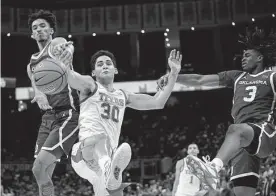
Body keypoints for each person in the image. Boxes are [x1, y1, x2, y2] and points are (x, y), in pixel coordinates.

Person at [157, 27, 276, 196]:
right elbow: (200, 80)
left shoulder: (271, 76)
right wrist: (172, 77)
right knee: (243, 193)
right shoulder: (237, 77)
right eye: (242, 55)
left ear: (260, 57)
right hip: (242, 140)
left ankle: (212, 168)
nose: (243, 58)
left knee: (235, 129)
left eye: (247, 55)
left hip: (264, 132)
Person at [66, 49, 182, 196]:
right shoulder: (90, 85)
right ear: (93, 72)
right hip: (83, 153)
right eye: (100, 64)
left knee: (115, 192)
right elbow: (71, 77)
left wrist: (173, 73)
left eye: (108, 63)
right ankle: (108, 166)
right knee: (101, 138)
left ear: (115, 70)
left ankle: (109, 171)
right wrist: (64, 62)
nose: (105, 66)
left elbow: (157, 102)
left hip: (104, 162)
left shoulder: (123, 96)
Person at [26, 10, 79, 196]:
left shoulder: (56, 44)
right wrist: (39, 93)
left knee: (38, 166)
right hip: (48, 118)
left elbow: (66, 47)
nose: (39, 30)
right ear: (32, 34)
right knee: (41, 171)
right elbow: (36, 83)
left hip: (67, 114)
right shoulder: (31, 63)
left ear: (51, 30)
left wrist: (67, 53)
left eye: (43, 26)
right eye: (35, 28)